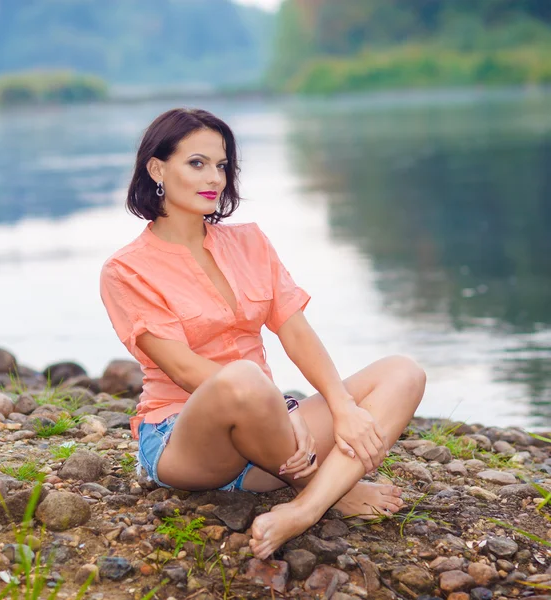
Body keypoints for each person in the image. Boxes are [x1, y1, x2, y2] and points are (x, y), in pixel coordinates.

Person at [100, 108, 426, 559]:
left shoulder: (249, 241)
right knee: (242, 376)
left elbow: (295, 332)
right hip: (187, 442)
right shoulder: (126, 270)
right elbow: (182, 368)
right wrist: (284, 405)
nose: (213, 176)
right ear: (157, 168)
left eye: (221, 165)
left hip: (270, 448)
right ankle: (326, 489)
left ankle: (305, 509)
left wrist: (342, 406)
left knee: (403, 371)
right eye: (197, 163)